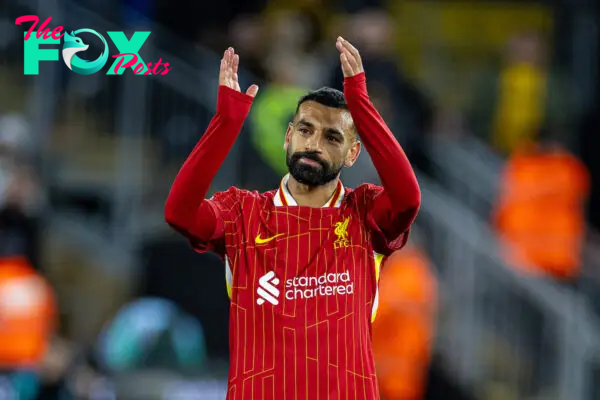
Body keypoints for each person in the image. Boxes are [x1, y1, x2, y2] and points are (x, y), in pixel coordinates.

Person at [165, 37, 420, 399]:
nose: (314, 144)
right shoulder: (243, 214)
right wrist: (225, 123)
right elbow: (179, 213)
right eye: (305, 130)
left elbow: (408, 198)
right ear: (288, 137)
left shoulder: (364, 214)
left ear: (352, 154)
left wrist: (360, 104)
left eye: (332, 137)